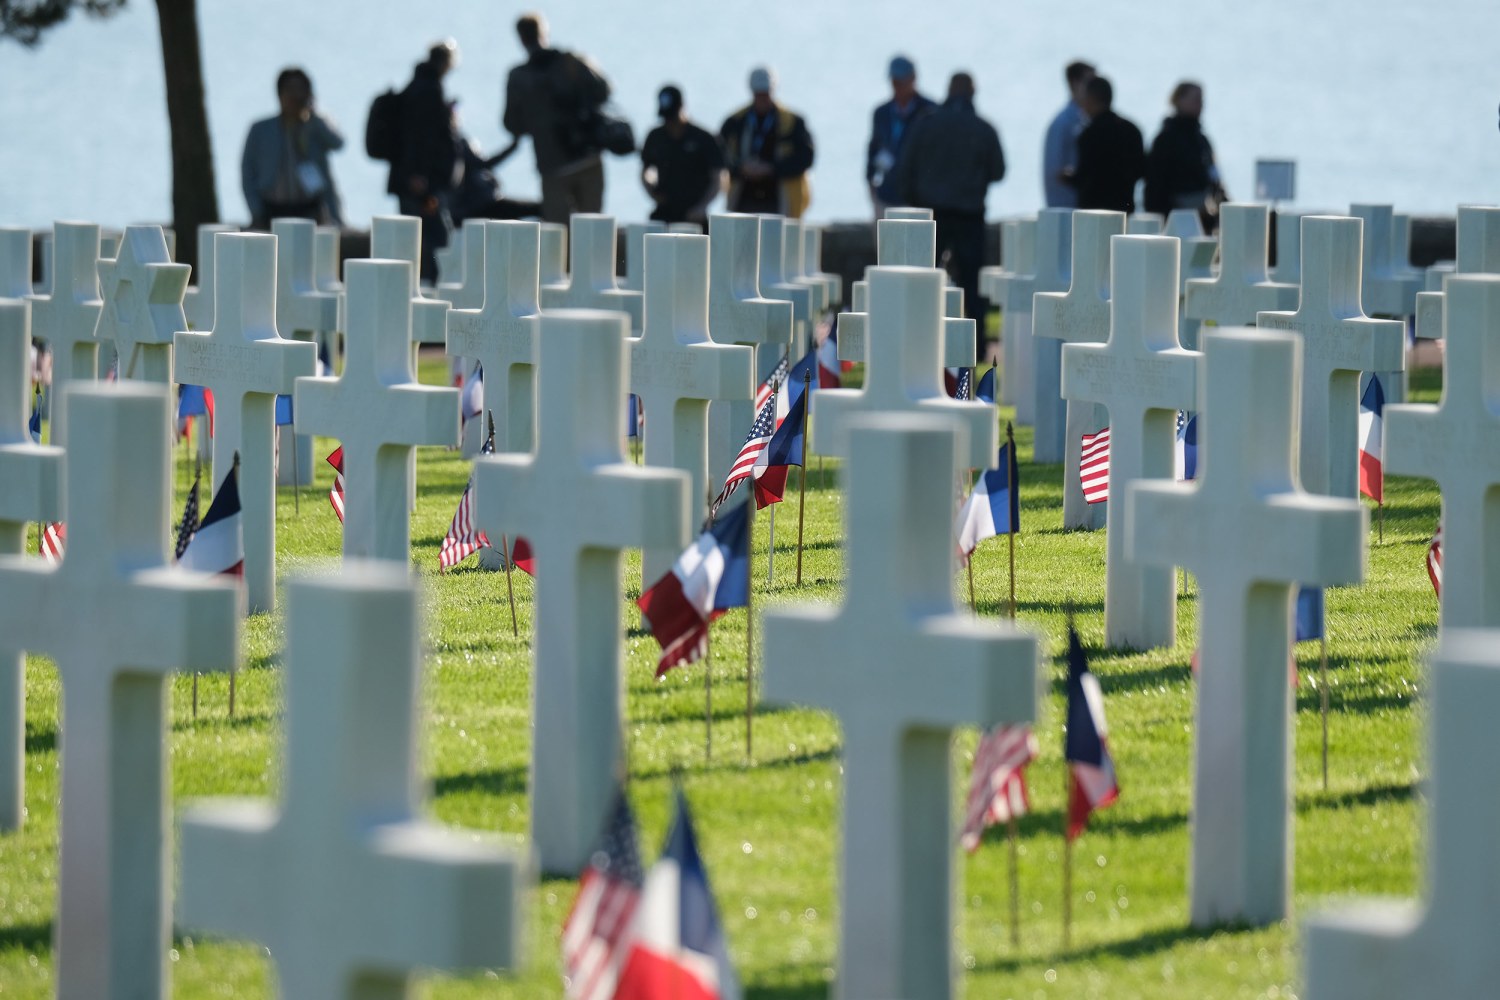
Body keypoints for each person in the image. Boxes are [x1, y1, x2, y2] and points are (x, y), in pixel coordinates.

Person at [894, 71, 1005, 337]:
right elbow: (998, 171)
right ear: (972, 93)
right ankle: (975, 347)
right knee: (971, 286)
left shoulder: (925, 124)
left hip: (933, 216)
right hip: (970, 216)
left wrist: (917, 200)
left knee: (925, 283)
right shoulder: (984, 128)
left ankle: (921, 339)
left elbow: (904, 169)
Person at [503, 12, 613, 224]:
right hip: (588, 157)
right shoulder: (573, 61)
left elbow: (511, 124)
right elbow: (604, 90)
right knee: (592, 229)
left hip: (552, 164)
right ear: (545, 32)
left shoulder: (519, 77)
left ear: (521, 38)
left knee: (557, 236)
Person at [388, 41, 460, 282]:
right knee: (435, 240)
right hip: (421, 184)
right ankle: (430, 291)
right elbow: (422, 138)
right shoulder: (428, 90)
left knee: (421, 238)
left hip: (413, 180)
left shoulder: (416, 86)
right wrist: (420, 177)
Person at [241, 67, 344, 231]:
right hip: (271, 210)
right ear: (279, 94)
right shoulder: (260, 129)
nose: (295, 96)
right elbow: (248, 172)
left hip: (310, 210)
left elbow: (338, 143)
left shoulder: (315, 126)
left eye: (300, 90)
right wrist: (256, 211)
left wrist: (313, 112)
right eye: (290, 90)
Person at [719, 67, 814, 217]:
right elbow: (720, 156)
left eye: (766, 93)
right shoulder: (735, 122)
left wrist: (771, 168)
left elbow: (806, 158)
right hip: (743, 198)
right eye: (759, 94)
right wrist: (741, 168)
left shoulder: (793, 122)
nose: (763, 98)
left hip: (781, 199)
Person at [1144, 81, 1228, 231]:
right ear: (1178, 100)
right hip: (1176, 220)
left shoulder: (1202, 141)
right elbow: (1155, 187)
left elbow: (1215, 179)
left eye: (1201, 100)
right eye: (1195, 99)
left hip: (1206, 220)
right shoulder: (1165, 140)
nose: (1201, 104)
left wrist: (1227, 209)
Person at [640, 85, 724, 225]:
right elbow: (645, 170)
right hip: (665, 212)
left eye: (672, 117)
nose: (670, 122)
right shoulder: (655, 137)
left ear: (682, 107)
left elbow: (719, 177)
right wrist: (653, 193)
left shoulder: (703, 138)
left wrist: (702, 206)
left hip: (695, 215)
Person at [866, 55, 936, 217]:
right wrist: (870, 183)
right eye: (894, 82)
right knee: (883, 241)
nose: (897, 87)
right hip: (886, 194)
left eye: (901, 82)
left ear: (913, 79)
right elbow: (873, 149)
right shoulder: (882, 113)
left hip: (919, 198)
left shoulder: (930, 111)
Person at [1070, 76, 1145, 213]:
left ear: (1092, 99)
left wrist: (1067, 177)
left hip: (1093, 214)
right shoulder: (1132, 130)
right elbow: (1141, 170)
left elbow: (1083, 177)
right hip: (1124, 211)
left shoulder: (1089, 134)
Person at [1042, 61, 1094, 209]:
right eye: (1089, 82)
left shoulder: (1081, 120)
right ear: (1074, 83)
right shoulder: (1063, 123)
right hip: (1066, 211)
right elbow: (1055, 171)